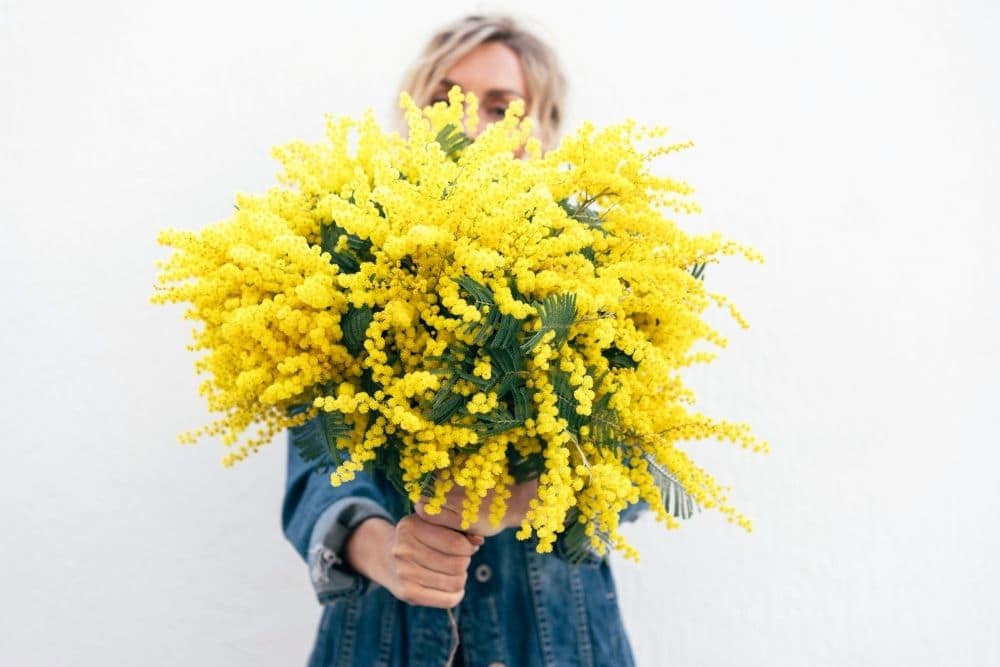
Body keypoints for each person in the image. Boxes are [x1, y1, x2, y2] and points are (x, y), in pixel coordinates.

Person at [282, 14, 645, 667]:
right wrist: (386, 550)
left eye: (502, 106)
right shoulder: (337, 277)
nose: (470, 121)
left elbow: (632, 472)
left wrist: (508, 502)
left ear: (543, 131)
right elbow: (320, 477)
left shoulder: (608, 276)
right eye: (444, 98)